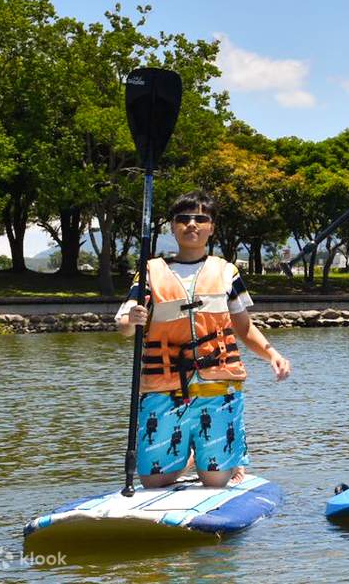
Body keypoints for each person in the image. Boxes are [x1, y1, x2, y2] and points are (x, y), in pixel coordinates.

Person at [116, 190, 291, 488]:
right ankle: (188, 458)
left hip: (218, 387)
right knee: (154, 481)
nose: (192, 224)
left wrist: (272, 354)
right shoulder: (150, 271)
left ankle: (226, 462)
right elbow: (124, 324)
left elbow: (244, 328)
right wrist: (131, 320)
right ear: (172, 227)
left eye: (200, 218)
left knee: (215, 480)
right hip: (164, 388)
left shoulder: (226, 272)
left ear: (212, 227)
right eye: (183, 218)